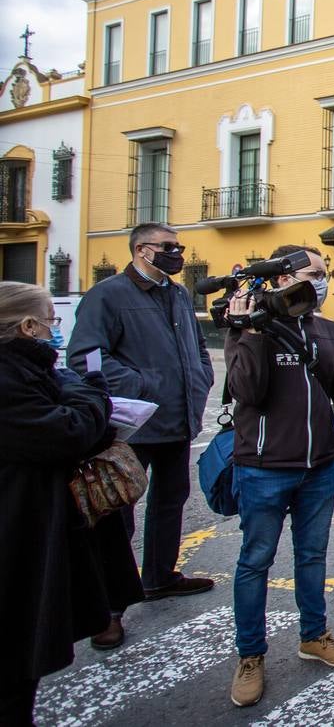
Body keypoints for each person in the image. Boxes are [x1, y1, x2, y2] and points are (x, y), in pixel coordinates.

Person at [221, 244, 334, 708]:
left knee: (312, 556)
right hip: (263, 468)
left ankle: (315, 634)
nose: (324, 280)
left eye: (326, 272)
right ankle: (250, 655)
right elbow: (247, 390)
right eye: (314, 272)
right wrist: (247, 330)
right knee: (255, 561)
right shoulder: (251, 327)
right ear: (280, 277)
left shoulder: (327, 331)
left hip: (318, 467)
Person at [0, 282, 142, 725]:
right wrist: (91, 396)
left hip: (33, 521)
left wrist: (81, 399)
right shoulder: (12, 380)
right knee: (15, 646)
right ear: (27, 326)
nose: (54, 330)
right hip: (16, 530)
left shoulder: (33, 371)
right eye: (50, 320)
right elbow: (69, 430)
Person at [67, 223, 216, 626]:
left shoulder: (179, 294)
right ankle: (110, 608)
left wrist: (201, 376)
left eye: (179, 246)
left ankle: (160, 577)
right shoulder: (108, 294)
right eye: (168, 246)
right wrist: (141, 386)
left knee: (171, 501)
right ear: (141, 250)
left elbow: (197, 346)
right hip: (133, 425)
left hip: (178, 419)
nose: (177, 253)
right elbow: (86, 357)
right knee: (118, 512)